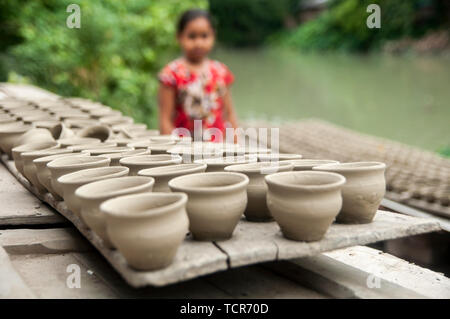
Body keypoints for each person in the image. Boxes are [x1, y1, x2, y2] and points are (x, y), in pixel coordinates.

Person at [158, 9, 238, 142]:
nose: (198, 43)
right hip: (183, 151)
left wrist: (235, 146)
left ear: (213, 36)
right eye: (192, 36)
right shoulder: (171, 74)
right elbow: (165, 120)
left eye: (204, 36)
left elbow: (229, 115)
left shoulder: (220, 71)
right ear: (179, 37)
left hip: (217, 149)